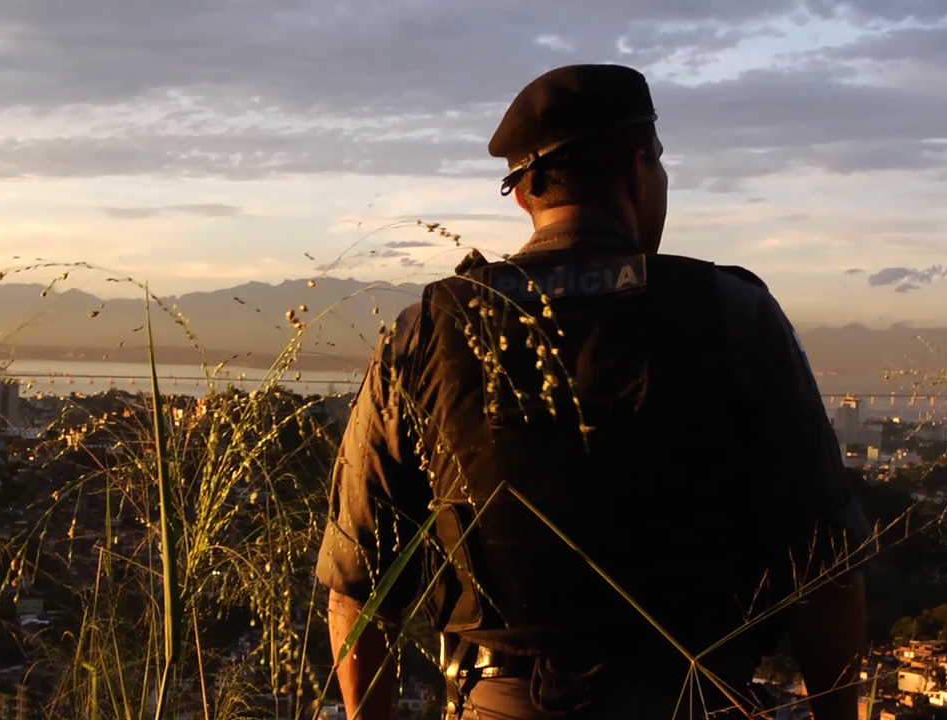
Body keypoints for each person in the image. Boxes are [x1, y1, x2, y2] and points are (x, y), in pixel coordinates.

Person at [316, 64, 871, 720]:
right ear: (639, 172)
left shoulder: (429, 332)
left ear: (523, 196)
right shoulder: (734, 318)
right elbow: (823, 572)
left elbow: (357, 583)